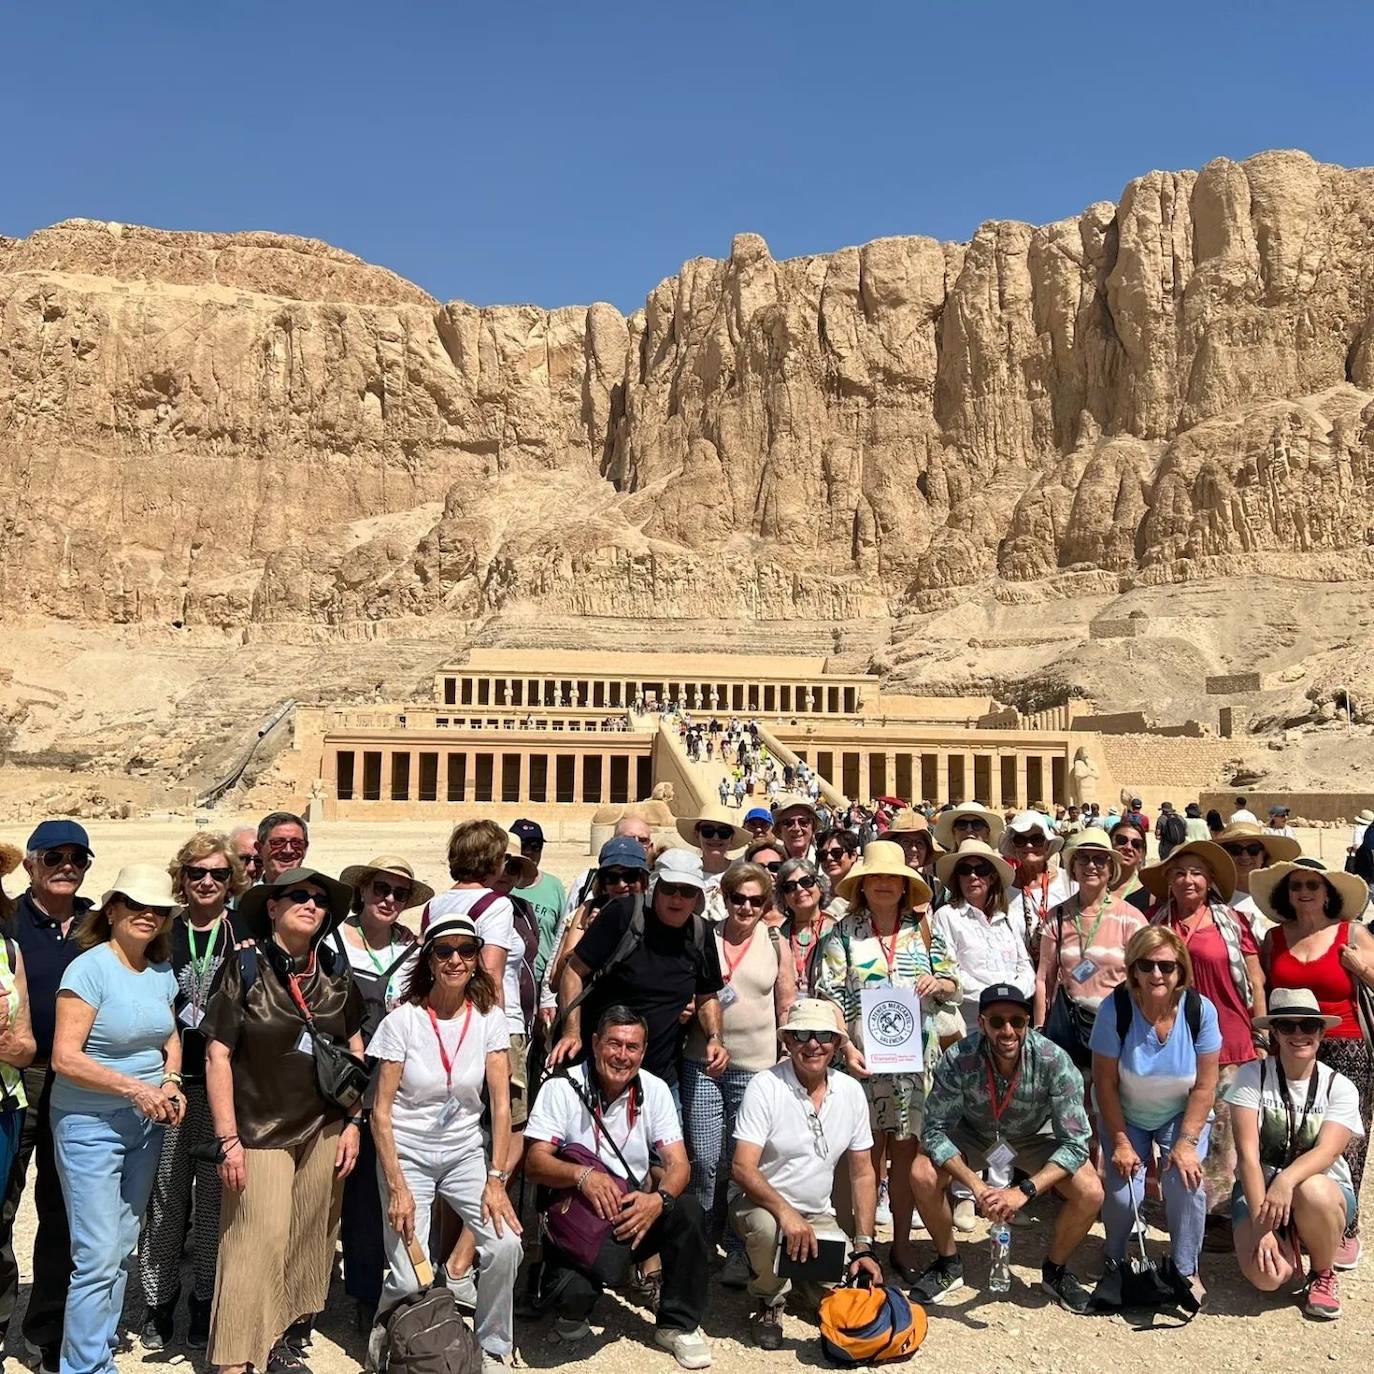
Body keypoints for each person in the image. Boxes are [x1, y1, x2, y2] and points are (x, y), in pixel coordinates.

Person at [200, 868, 366, 1374]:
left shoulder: (336, 973)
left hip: (323, 1128)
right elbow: (217, 1056)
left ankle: (272, 1342)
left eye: (320, 899)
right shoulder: (243, 966)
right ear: (272, 906)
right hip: (259, 1129)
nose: (311, 904)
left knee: (306, 1237)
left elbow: (355, 1049)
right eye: (299, 896)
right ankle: (232, 1358)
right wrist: (227, 1139)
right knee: (255, 1240)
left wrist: (354, 1122)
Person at [370, 913, 522, 1374]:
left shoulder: (490, 1021)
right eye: (444, 951)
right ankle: (391, 1339)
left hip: (462, 1153)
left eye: (466, 950)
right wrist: (397, 1185)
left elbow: (499, 1106)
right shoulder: (404, 1022)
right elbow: (380, 1112)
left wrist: (496, 1179)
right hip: (408, 1153)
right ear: (429, 960)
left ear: (477, 959)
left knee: (505, 1244)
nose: (455, 959)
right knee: (408, 1266)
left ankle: (493, 1343)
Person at [49, 864, 183, 1374]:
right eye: (136, 904)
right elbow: (66, 1056)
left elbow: (168, 1035)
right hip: (89, 1124)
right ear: (112, 910)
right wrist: (134, 1088)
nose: (147, 914)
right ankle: (83, 1367)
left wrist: (168, 1080)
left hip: (145, 1125)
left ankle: (97, 1351)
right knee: (97, 1254)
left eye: (158, 908)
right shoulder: (88, 969)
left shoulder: (160, 970)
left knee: (123, 1244)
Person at [524, 1007, 711, 1369]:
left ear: (643, 1052)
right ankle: (572, 1285)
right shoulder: (562, 1087)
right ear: (594, 1044)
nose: (622, 1055)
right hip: (579, 1217)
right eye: (613, 1044)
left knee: (687, 1210)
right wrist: (583, 1177)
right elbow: (534, 1162)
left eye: (632, 1047)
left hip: (634, 1208)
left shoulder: (654, 1090)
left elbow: (679, 1164)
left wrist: (658, 1200)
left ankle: (678, 1325)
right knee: (571, 1305)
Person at [814, 841, 958, 1282]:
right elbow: (829, 997)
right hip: (863, 1063)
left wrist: (939, 982)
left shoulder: (925, 928)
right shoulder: (841, 934)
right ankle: (865, 1244)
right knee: (865, 1159)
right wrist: (845, 1047)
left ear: (904, 884)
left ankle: (899, 1244)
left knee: (904, 1155)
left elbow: (955, 981)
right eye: (875, 877)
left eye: (892, 877)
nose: (884, 884)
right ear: (862, 884)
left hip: (914, 1064)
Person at [911, 983, 1101, 1310]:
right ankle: (948, 1262)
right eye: (997, 1022)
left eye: (1017, 1021)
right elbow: (934, 1131)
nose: (1008, 1030)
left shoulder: (1053, 1060)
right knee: (922, 1173)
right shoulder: (959, 1058)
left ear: (1028, 1021)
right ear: (982, 1023)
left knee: (1090, 1191)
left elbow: (1077, 1141)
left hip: (1031, 1137)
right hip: (976, 1134)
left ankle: (1055, 1271)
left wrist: (1023, 1191)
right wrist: (976, 1186)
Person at [139, 834, 251, 1351]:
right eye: (196, 872)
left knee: (213, 1201)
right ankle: (158, 1302)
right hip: (168, 1084)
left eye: (218, 874)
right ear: (180, 879)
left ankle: (206, 1299)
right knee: (163, 1197)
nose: (207, 882)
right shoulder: (160, 932)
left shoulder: (247, 933)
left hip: (223, 1087)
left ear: (233, 881)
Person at [730, 1000, 881, 1348]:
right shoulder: (765, 1086)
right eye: (802, 1034)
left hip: (818, 1215)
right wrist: (786, 1213)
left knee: (850, 1289)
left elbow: (862, 1174)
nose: (813, 1044)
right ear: (788, 1041)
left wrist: (864, 1246)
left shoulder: (851, 1092)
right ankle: (768, 1299)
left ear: (838, 1044)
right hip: (762, 1205)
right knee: (770, 1231)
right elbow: (742, 1167)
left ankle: (800, 1280)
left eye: (824, 1036)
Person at [0, 819, 95, 1372]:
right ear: (31, 863)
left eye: (77, 858)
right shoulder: (4, 918)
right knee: (1, 1205)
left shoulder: (97, 924)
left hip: (79, 1083)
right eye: (54, 856)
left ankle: (46, 1331)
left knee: (64, 1212)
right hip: (15, 1081)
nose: (66, 866)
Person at [1090, 926, 1221, 1307]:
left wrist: (1186, 1143)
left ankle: (1185, 1267)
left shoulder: (1200, 1011)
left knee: (1186, 1180)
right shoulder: (1114, 1010)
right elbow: (1105, 1084)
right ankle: (1115, 1256)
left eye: (1166, 965)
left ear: (1181, 969)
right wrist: (1119, 1142)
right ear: (1133, 970)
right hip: (1126, 1113)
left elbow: (1205, 1086)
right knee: (1121, 1194)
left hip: (1181, 1113)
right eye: (1146, 965)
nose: (1157, 974)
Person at [1142, 839, 1265, 1240]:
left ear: (1210, 881)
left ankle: (1221, 1219)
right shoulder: (1158, 925)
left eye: (1196, 872)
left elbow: (1255, 979)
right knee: (1183, 1125)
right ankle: (1186, 1204)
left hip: (1230, 1038)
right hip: (1175, 1042)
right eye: (1179, 872)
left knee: (1226, 1134)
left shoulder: (1231, 922)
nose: (1187, 879)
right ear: (1169, 882)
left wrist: (1260, 1031)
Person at [1254, 858, 1374, 1266]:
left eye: (1313, 884)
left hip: (1346, 1044)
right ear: (1285, 895)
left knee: (1346, 1139)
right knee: (1290, 1127)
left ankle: (1344, 1225)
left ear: (1328, 892)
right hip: (1291, 1042)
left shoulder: (1352, 932)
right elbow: (1264, 988)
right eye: (1295, 886)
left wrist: (1362, 968)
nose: (1304, 891)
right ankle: (1296, 1217)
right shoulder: (1274, 939)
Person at [683, 862, 793, 1285]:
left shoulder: (773, 940)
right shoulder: (704, 936)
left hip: (756, 1066)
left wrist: (787, 1054)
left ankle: (734, 1243)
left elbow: (784, 1002)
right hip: (703, 1060)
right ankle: (704, 1239)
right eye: (737, 898)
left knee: (742, 1161)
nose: (745, 907)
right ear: (724, 898)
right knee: (706, 1159)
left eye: (755, 900)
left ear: (766, 904)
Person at [333, 856, 431, 1327]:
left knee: (378, 1188)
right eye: (380, 888)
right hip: (336, 1081)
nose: (389, 898)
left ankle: (374, 1294)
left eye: (400, 892)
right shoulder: (332, 941)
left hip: (393, 1082)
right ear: (363, 891)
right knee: (338, 1190)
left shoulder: (413, 949)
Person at [548, 849, 727, 1100]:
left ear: (698, 896)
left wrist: (715, 1038)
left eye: (687, 891)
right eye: (669, 888)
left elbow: (707, 996)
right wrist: (571, 1031)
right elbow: (574, 972)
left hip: (659, 1079)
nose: (677, 898)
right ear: (654, 886)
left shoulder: (700, 933)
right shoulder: (623, 914)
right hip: (598, 1069)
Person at [1227, 988, 1362, 1319]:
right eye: (1287, 1026)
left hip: (1322, 1190)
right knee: (1268, 1278)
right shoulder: (1251, 1077)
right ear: (1274, 1032)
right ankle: (1292, 1245)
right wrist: (1263, 1229)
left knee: (1311, 1189)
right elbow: (1247, 1155)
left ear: (1321, 1032)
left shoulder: (1339, 1086)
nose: (1299, 1034)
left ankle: (1323, 1272)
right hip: (1260, 1187)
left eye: (1308, 1026)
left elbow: (1328, 1153)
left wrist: (1286, 1180)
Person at [1033, 828, 1146, 1061]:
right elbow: (1045, 977)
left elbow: (1143, 979)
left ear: (1111, 867)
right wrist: (1039, 1030)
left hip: (1117, 1031)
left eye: (1100, 859)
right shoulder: (1058, 915)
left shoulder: (1131, 918)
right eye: (1083, 858)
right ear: (1073, 867)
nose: (1091, 865)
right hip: (1069, 1031)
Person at [540, 837, 651, 1021]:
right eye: (612, 878)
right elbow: (556, 980)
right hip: (592, 1012)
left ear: (643, 879)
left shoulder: (652, 911)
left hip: (638, 1013)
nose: (621, 884)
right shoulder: (588, 909)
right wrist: (591, 938)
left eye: (630, 876)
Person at [931, 841, 1031, 1032]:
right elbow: (949, 970)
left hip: (1011, 1024)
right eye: (965, 870)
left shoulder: (1008, 918)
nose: (973, 876)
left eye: (981, 869)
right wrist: (994, 997)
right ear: (957, 877)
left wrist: (1012, 994)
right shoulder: (946, 916)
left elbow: (1025, 966)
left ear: (992, 877)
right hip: (970, 1024)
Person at [1001, 811, 1075, 963]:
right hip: (1019, 975)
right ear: (1013, 846)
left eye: (1037, 839)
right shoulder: (1003, 887)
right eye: (1020, 840)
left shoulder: (1069, 882)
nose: (1029, 845)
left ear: (1048, 844)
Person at [1213, 821, 1302, 940]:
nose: (1245, 856)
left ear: (1263, 855)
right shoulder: (1214, 896)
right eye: (1236, 850)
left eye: (1253, 850)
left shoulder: (1282, 897)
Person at [508, 820, 568, 984]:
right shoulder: (502, 885)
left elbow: (561, 935)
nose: (530, 852)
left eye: (536, 846)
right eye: (524, 845)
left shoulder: (554, 886)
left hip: (540, 979)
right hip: (507, 976)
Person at [675, 804, 751, 919]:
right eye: (708, 831)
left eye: (723, 832)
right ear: (697, 834)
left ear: (731, 838)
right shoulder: (685, 872)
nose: (715, 838)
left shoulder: (742, 872)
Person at [776, 858, 834, 997]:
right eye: (790, 886)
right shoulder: (778, 935)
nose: (800, 889)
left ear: (819, 886)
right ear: (783, 897)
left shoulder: (835, 929)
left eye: (806, 882)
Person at [886, 811, 946, 911]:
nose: (914, 849)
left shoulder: (935, 886)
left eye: (920, 843)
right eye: (906, 842)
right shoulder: (880, 885)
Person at [1107, 818, 1151, 912]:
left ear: (1142, 854)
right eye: (1121, 840)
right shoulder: (1095, 887)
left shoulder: (1151, 896)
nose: (1128, 847)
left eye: (1136, 844)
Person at [255, 812, 310, 885]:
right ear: (259, 849)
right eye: (278, 843)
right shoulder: (246, 895)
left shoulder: (321, 894)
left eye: (296, 843)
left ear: (305, 849)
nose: (288, 850)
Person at [932, 801, 1005, 854]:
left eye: (977, 825)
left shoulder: (999, 869)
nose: (969, 829)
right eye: (962, 824)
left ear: (987, 832)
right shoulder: (940, 867)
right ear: (953, 831)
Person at [771, 795, 819, 861]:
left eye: (803, 821)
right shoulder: (771, 864)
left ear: (813, 826)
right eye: (788, 823)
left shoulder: (825, 861)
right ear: (779, 829)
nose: (796, 828)